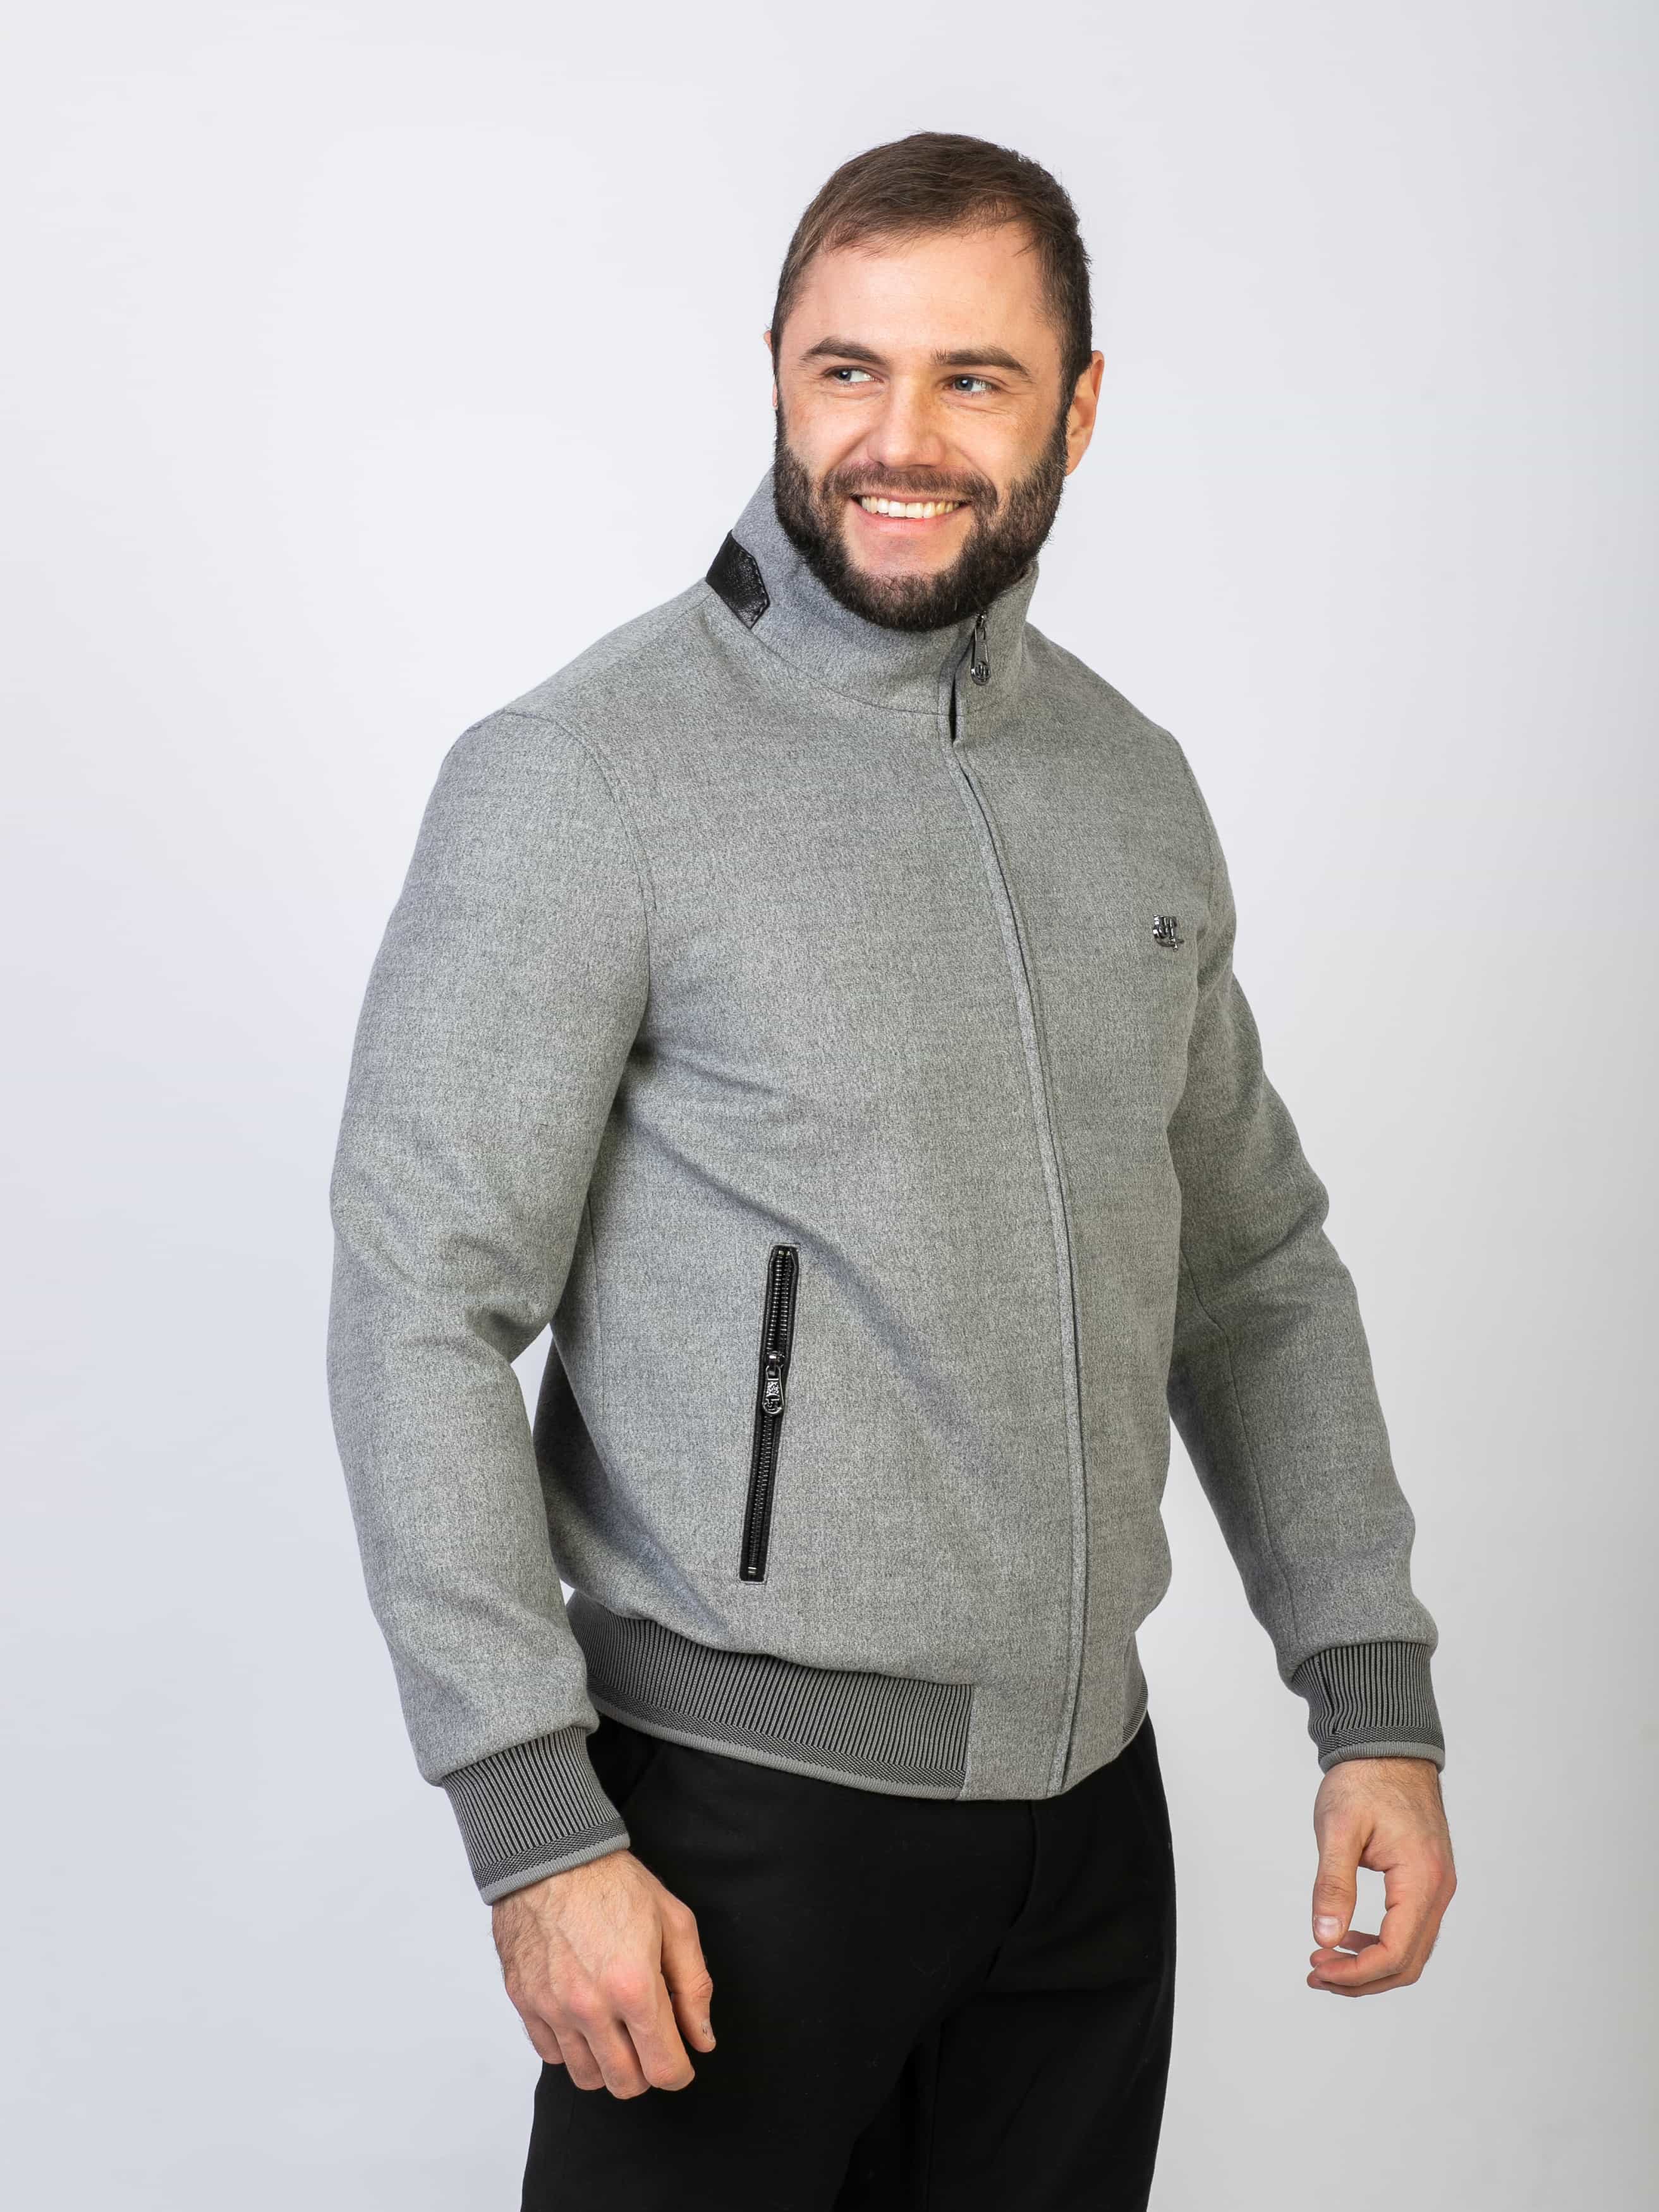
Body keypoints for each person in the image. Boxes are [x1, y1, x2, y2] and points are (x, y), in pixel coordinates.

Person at [325, 130, 1457, 2209]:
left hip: (1087, 1835)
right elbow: (421, 1304)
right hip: (729, 1837)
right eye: (846, 369)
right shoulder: (583, 774)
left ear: (1077, 409)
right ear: (776, 374)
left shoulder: (1125, 784)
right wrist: (533, 1822)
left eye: (972, 377)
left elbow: (1252, 1267)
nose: (898, 438)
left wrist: (1366, 1691)